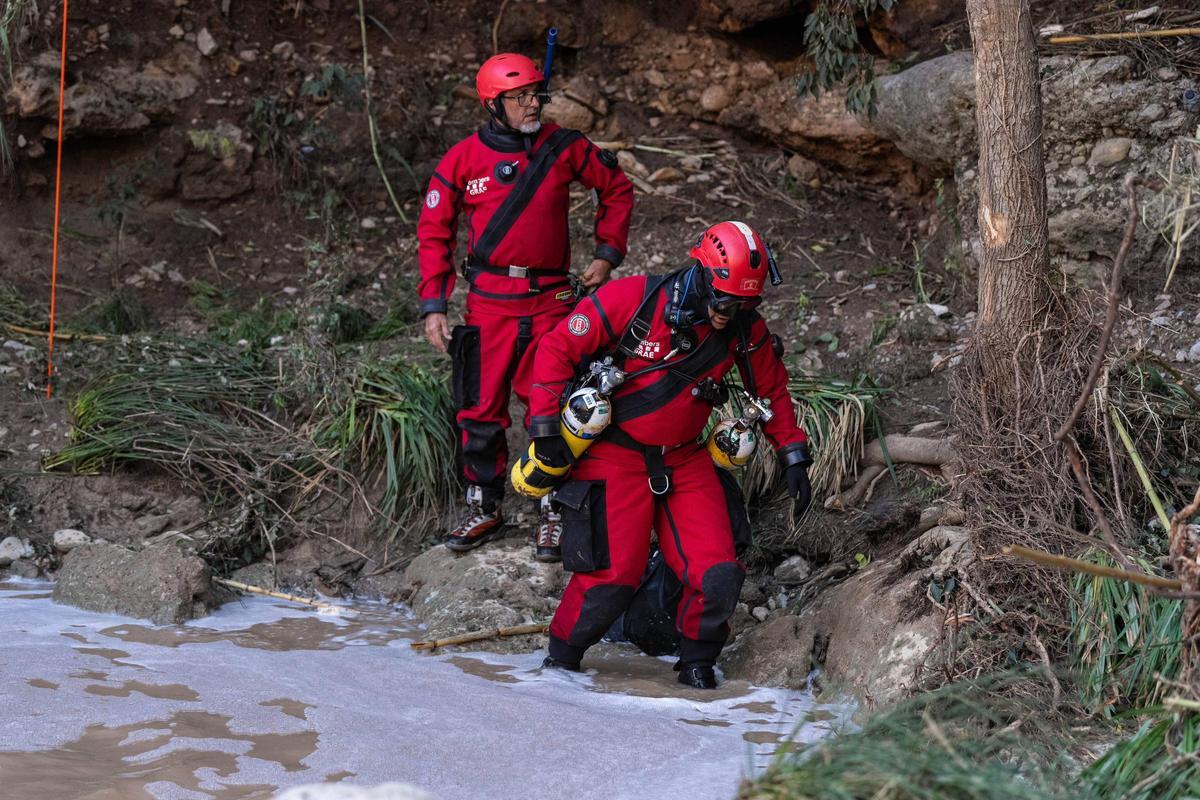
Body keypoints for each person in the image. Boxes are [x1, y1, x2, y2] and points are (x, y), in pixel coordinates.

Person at [526, 221, 812, 689]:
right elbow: (557, 347)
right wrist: (544, 428)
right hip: (613, 454)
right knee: (610, 579)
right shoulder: (634, 299)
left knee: (718, 572)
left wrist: (793, 454)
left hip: (684, 457)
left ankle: (697, 662)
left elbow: (773, 390)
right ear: (702, 275)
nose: (731, 313)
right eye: (725, 301)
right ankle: (561, 666)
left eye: (746, 303)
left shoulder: (743, 326)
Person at [417, 52, 634, 559]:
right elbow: (434, 231)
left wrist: (606, 255)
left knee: (552, 403)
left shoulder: (564, 146)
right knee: (479, 408)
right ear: (493, 104)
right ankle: (484, 506)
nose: (532, 103)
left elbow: (617, 189)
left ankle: (554, 509)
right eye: (520, 97)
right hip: (488, 303)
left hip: (552, 301)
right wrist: (434, 304)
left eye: (536, 94)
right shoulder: (461, 160)